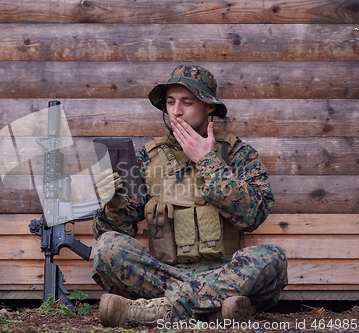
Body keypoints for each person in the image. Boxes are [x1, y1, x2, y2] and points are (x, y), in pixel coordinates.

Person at [92, 65, 288, 327]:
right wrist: (115, 205)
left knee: (272, 257)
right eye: (171, 102)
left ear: (209, 107)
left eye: (187, 102)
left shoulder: (238, 154)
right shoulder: (147, 157)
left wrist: (207, 161)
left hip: (225, 272)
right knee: (107, 247)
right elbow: (120, 230)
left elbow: (252, 216)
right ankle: (214, 311)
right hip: (164, 274)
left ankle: (156, 310)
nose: (177, 111)